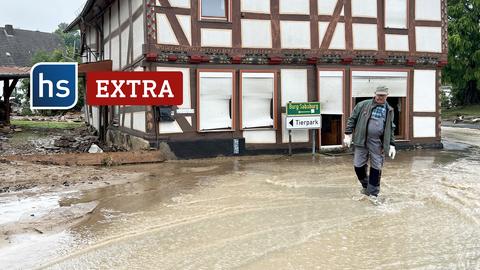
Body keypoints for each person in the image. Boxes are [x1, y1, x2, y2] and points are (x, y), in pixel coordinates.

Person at [343, 86, 396, 197]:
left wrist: (391, 144)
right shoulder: (362, 105)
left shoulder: (389, 110)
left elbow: (391, 128)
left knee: (376, 167)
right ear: (374, 94)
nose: (380, 97)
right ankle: (366, 185)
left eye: (383, 95)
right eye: (378, 95)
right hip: (361, 140)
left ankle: (373, 194)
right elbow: (352, 119)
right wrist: (348, 134)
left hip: (378, 143)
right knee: (358, 166)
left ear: (387, 96)